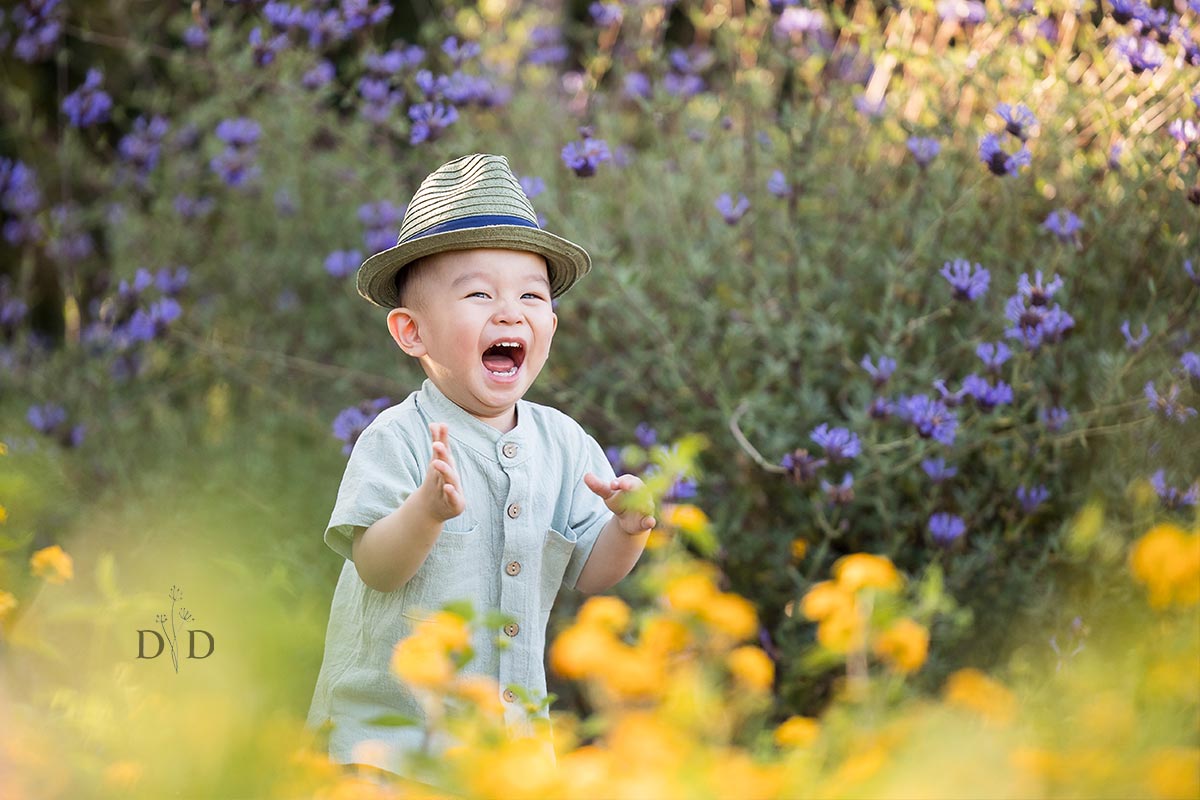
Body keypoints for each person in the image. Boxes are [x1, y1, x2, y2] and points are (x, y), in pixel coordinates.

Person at [306, 153, 655, 779]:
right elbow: (377, 567)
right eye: (478, 294)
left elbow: (591, 572)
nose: (509, 312)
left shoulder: (565, 444)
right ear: (411, 331)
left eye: (530, 295)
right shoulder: (399, 438)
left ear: (550, 321)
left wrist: (627, 532)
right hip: (388, 751)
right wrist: (426, 510)